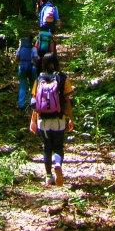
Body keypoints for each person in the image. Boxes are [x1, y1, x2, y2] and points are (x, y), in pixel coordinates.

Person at [30, 54, 74, 187]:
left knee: (47, 147)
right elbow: (67, 101)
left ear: (43, 64)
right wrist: (71, 119)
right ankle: (58, 164)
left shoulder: (39, 79)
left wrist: (33, 120)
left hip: (42, 119)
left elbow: (34, 101)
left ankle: (48, 177)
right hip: (59, 118)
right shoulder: (63, 78)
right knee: (58, 146)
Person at [15, 36, 36, 110]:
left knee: (22, 86)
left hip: (22, 68)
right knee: (32, 85)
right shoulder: (33, 49)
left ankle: (21, 104)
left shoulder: (20, 49)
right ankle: (32, 103)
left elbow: (16, 59)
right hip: (31, 68)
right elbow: (35, 59)